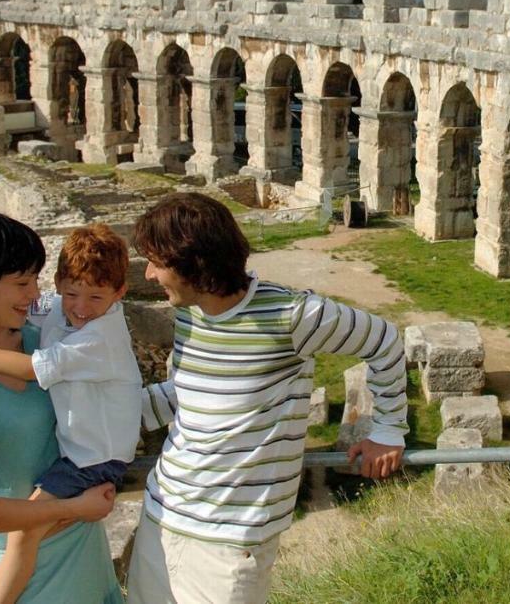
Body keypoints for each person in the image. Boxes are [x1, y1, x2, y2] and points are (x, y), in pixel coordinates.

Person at [125, 192, 409, 604]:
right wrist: (107, 415)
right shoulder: (189, 314)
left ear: (193, 262)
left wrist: (388, 429)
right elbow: (189, 395)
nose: (149, 274)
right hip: (160, 516)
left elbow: (384, 341)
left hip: (231, 543)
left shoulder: (293, 317)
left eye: (157, 261)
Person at [0, 222, 142, 604]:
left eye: (36, 280)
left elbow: (109, 397)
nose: (36, 294)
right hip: (29, 573)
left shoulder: (46, 337)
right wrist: (75, 507)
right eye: (23, 284)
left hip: (87, 549)